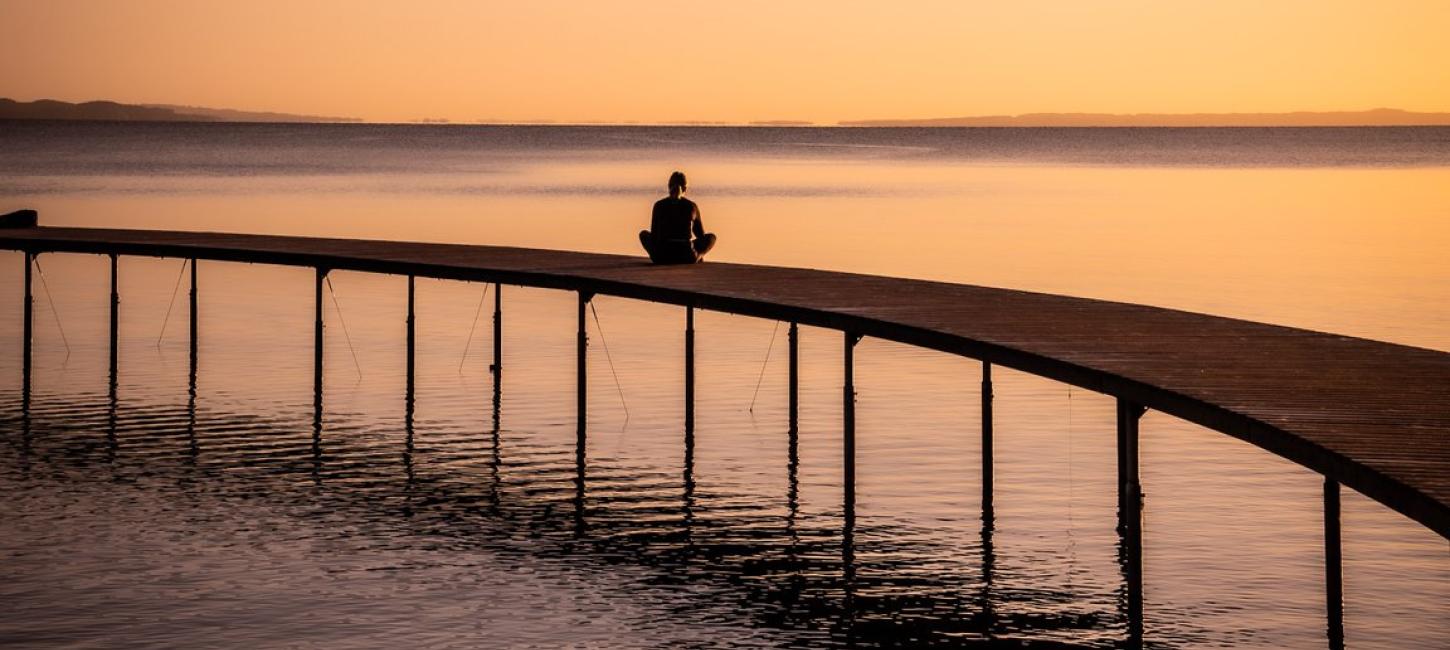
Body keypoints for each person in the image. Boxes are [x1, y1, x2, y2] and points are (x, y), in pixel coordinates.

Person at [639, 171, 716, 264]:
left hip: (662, 256)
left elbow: (655, 235)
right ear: (685, 188)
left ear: (669, 187)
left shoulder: (659, 205)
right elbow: (701, 236)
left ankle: (658, 256)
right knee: (711, 237)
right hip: (687, 256)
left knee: (643, 234)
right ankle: (699, 256)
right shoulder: (691, 206)